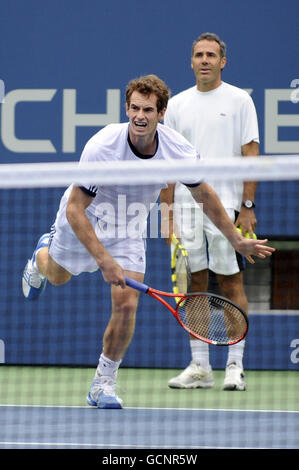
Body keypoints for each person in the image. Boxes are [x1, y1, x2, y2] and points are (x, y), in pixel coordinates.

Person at [22, 74, 272, 409]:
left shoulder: (177, 149)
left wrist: (235, 240)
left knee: (126, 304)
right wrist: (103, 260)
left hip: (128, 226)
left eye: (148, 109)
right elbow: (75, 209)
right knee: (57, 275)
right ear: (127, 108)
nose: (140, 115)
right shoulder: (102, 147)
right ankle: (41, 254)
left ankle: (103, 383)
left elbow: (203, 194)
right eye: (135, 108)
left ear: (161, 113)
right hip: (87, 218)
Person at [161, 32, 260, 391]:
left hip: (226, 207)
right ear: (191, 61)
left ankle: (235, 365)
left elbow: (251, 155)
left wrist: (247, 206)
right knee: (195, 284)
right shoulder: (176, 106)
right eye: (199, 55)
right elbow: (166, 164)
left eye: (211, 55)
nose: (205, 60)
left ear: (223, 61)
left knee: (231, 281)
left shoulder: (239, 101)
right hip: (186, 210)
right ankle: (200, 365)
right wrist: (167, 211)